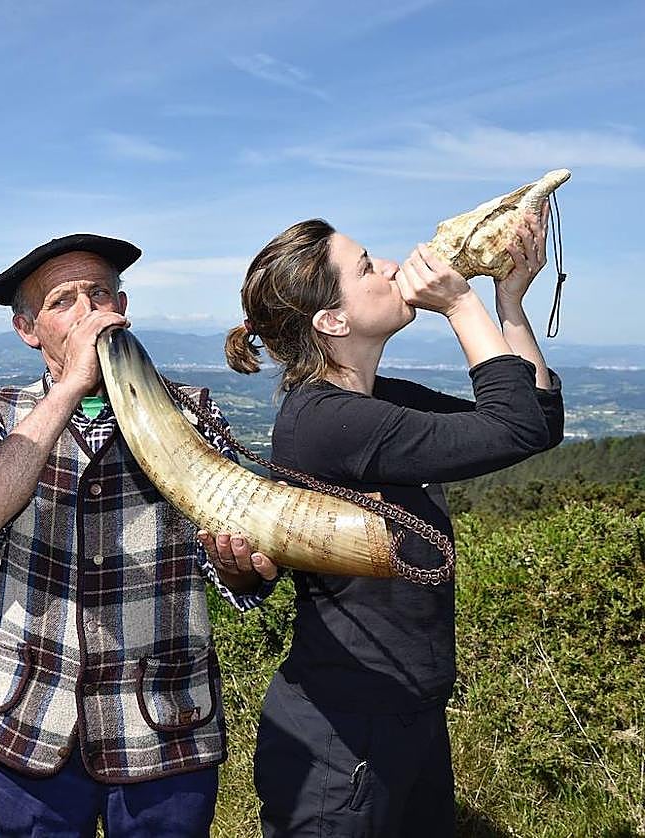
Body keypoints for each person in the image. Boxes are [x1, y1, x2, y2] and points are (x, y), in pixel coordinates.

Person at [225, 208, 564, 836]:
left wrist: (509, 302)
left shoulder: (377, 401)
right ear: (333, 320)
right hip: (345, 738)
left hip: (406, 710)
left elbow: (536, 425)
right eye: (365, 267)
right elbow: (513, 424)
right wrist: (462, 307)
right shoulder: (329, 423)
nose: (390, 266)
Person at [0, 233, 280, 837]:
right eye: (62, 301)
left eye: (99, 294)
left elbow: (237, 548)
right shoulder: (2, 413)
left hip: (163, 721)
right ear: (28, 329)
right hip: (30, 719)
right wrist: (71, 384)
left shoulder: (188, 412)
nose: (89, 312)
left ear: (123, 306)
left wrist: (239, 568)